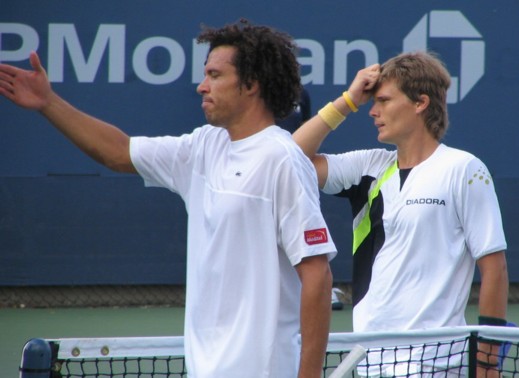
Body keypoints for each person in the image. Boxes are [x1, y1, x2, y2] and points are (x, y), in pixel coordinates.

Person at [0, 20, 337, 378]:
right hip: (204, 368)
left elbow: (317, 274)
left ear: (251, 85)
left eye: (214, 75)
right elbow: (118, 152)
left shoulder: (282, 159)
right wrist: (47, 103)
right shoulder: (203, 146)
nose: (201, 86)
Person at [293, 51, 508, 377]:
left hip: (438, 364)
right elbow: (289, 159)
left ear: (420, 103)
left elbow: (494, 268)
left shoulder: (464, 169)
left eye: (383, 101)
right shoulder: (368, 167)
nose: (373, 111)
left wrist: (487, 362)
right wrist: (348, 101)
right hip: (370, 362)